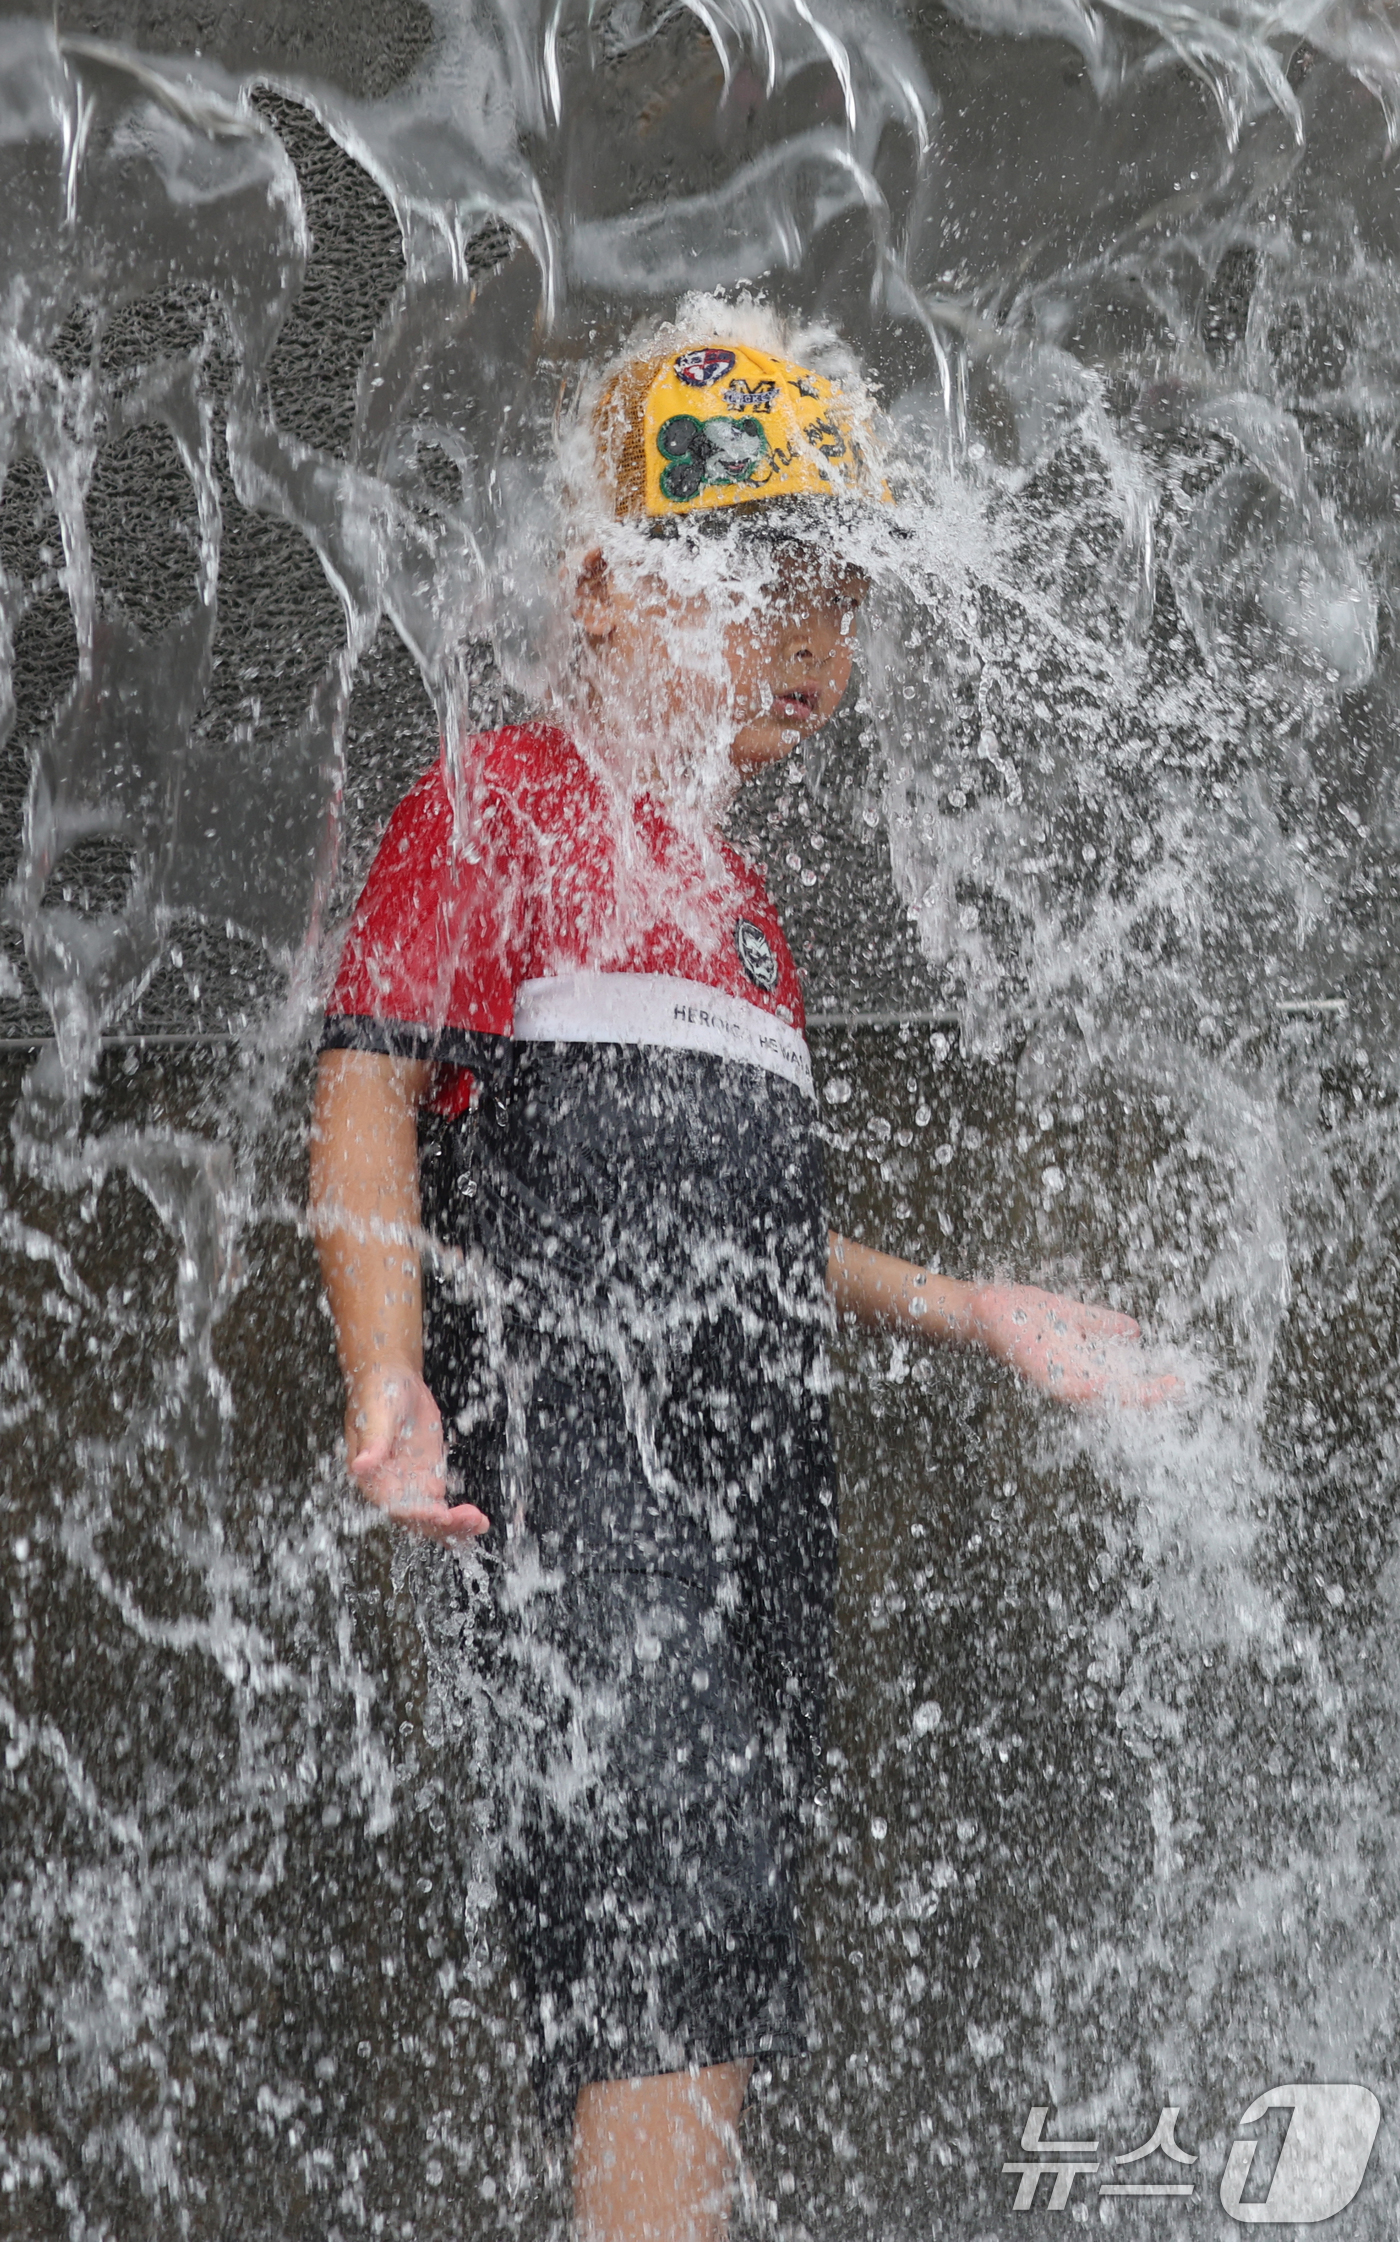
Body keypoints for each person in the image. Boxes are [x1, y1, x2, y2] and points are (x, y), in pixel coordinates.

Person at [308, 318, 1172, 2242]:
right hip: (575, 1467)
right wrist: (388, 1369)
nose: (815, 649)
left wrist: (967, 1304)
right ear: (608, 587)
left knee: (725, 1927)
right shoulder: (492, 808)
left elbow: (737, 1223)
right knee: (668, 1891)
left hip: (758, 1487)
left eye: (841, 606)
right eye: (767, 587)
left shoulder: (745, 909)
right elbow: (366, 1087)